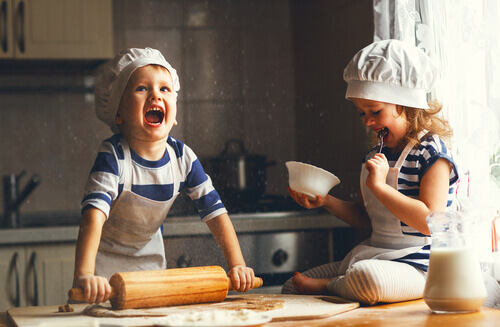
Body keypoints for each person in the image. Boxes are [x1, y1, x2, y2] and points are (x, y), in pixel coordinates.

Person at [73, 48, 255, 304]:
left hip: (150, 267)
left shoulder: (182, 158)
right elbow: (93, 216)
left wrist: (237, 264)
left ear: (175, 114)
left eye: (164, 89)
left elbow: (216, 213)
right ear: (117, 112)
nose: (155, 95)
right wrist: (85, 275)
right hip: (101, 268)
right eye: (141, 89)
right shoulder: (113, 157)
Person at [282, 39, 458, 305]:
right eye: (361, 113)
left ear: (406, 104)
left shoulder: (431, 152)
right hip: (378, 255)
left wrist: (380, 187)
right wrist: (326, 201)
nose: (367, 121)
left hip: (423, 266)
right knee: (290, 288)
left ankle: (331, 285)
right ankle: (339, 284)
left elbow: (429, 221)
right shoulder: (377, 155)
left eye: (375, 111)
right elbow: (367, 218)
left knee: (366, 280)